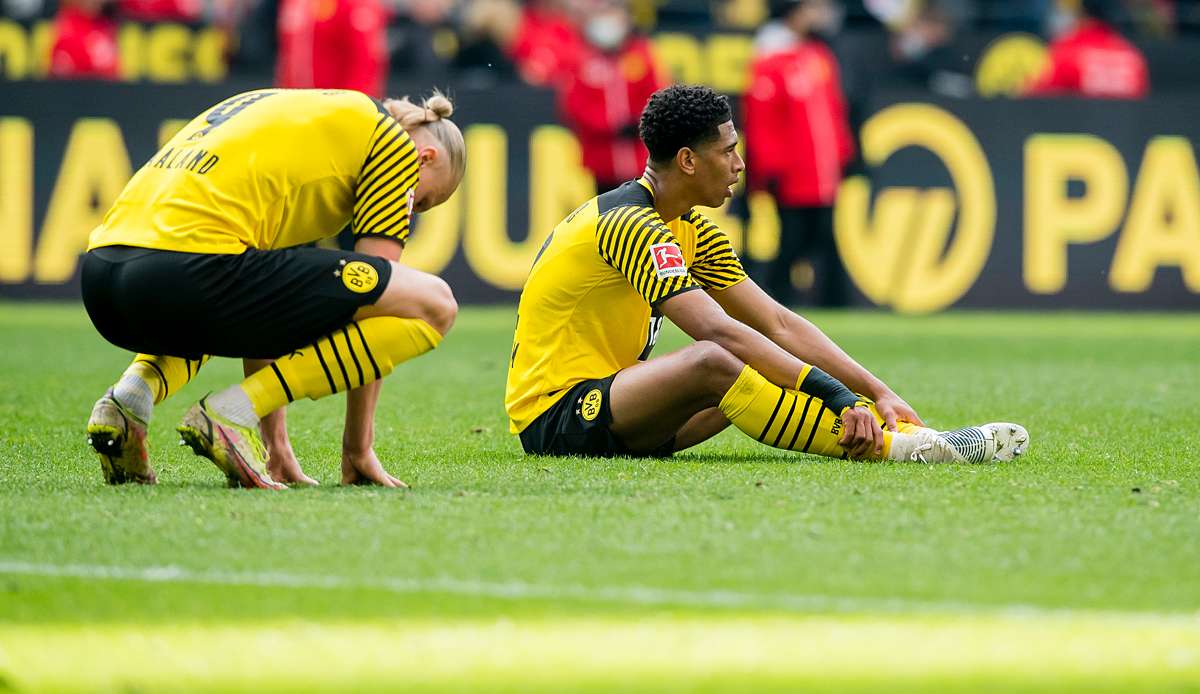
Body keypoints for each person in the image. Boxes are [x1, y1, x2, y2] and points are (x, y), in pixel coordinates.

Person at [505, 84, 1029, 464]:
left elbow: (777, 323)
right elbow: (716, 331)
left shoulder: (689, 229)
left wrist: (876, 391)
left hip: (622, 413)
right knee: (719, 358)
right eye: (728, 151)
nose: (739, 165)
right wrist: (839, 398)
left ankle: (895, 432)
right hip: (559, 417)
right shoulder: (629, 223)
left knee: (755, 362)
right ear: (687, 161)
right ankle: (904, 450)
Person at [82, 89, 465, 489]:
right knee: (435, 303)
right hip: (185, 273)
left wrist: (275, 446)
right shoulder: (393, 145)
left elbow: (264, 304)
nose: (411, 212)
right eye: (423, 202)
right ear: (426, 158)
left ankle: (130, 397)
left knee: (230, 283)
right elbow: (381, 299)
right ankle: (231, 413)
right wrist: (357, 447)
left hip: (103, 280)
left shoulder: (299, 113)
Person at [744, 0, 854, 306]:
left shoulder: (818, 56)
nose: (820, 15)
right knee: (792, 240)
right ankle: (779, 300)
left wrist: (844, 154)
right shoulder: (770, 60)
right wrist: (770, 167)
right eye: (813, 8)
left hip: (822, 173)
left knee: (822, 238)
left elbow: (833, 111)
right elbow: (762, 121)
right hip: (793, 175)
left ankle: (827, 301)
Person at [559, 0, 666, 193]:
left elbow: (658, 95)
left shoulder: (642, 55)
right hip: (601, 161)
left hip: (642, 161)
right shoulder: (583, 60)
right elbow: (575, 105)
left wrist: (640, 122)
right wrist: (610, 125)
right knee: (606, 214)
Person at [1025, 0, 1149, 99]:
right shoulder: (1131, 54)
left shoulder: (1068, 49)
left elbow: (1038, 100)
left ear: (1082, 14)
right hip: (1125, 127)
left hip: (1078, 126)